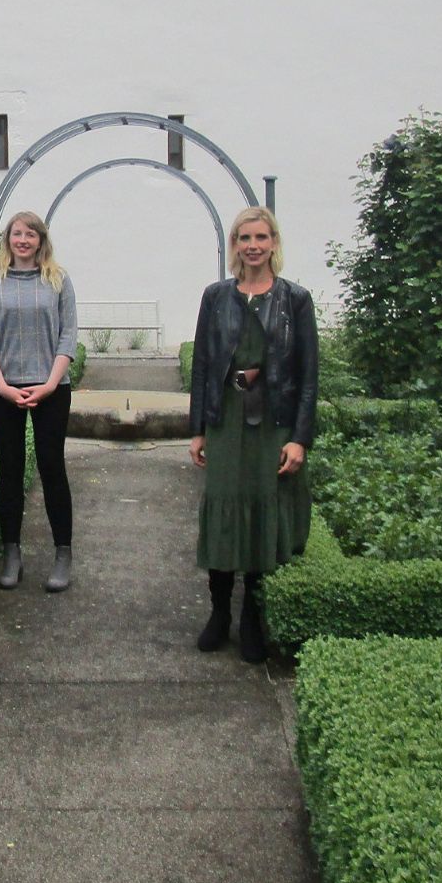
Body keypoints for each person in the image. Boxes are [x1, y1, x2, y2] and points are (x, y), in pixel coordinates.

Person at [187, 206, 317, 663]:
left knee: (263, 514)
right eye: (245, 238)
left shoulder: (295, 299)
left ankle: (251, 618)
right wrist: (198, 428)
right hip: (227, 418)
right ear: (235, 245)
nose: (253, 246)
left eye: (261, 237)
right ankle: (219, 613)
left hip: (273, 422)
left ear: (274, 243)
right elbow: (204, 364)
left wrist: (299, 437)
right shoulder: (216, 296)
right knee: (222, 509)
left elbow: (307, 375)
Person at [0, 211, 78, 592]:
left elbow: (69, 337)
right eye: (17, 234)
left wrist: (51, 383)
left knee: (52, 467)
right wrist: (1, 386)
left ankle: (63, 554)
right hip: (4, 390)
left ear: (40, 240)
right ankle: (11, 554)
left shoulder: (58, 280)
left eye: (30, 234)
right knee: (10, 470)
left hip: (51, 388)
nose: (23, 240)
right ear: (8, 240)